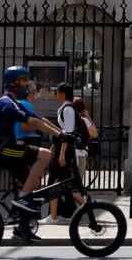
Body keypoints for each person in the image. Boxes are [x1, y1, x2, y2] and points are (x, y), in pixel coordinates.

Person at [0, 67, 62, 237]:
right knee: (45, 154)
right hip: (2, 149)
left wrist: (63, 133)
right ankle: (23, 197)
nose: (28, 84)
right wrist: (58, 134)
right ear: (14, 82)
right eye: (24, 80)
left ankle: (22, 228)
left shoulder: (13, 102)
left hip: (7, 147)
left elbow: (40, 119)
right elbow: (33, 122)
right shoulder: (6, 104)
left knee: (33, 183)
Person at [41, 82, 86, 225]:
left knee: (54, 183)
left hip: (65, 151)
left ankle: (55, 216)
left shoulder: (68, 110)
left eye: (57, 92)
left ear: (63, 94)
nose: (55, 94)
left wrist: (61, 153)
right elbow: (61, 132)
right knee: (63, 184)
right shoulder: (65, 108)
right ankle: (70, 212)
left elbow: (68, 133)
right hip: (62, 149)